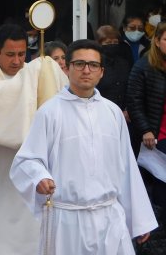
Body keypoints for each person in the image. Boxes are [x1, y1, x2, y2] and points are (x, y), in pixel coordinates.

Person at [10, 39, 157, 254]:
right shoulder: (50, 112)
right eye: (79, 64)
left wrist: (139, 219)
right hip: (68, 221)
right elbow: (27, 159)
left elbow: (127, 167)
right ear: (68, 69)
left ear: (101, 72)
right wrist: (39, 177)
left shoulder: (112, 112)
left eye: (93, 65)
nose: (86, 70)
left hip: (109, 217)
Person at [0, 24, 67, 255]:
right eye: (10, 54)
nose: (17, 61)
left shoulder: (31, 73)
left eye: (22, 54)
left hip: (26, 181)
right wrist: (33, 76)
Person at [127, 21, 166, 208]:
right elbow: (133, 101)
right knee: (161, 182)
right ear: (157, 41)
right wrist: (146, 130)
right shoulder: (144, 66)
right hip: (158, 136)